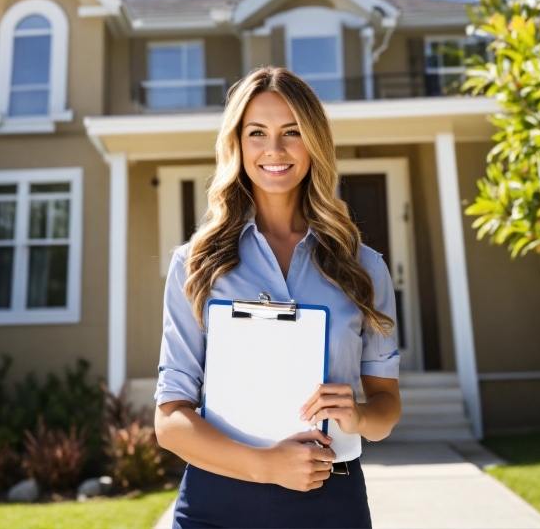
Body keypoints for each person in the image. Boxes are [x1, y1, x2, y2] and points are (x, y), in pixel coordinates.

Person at [155, 67, 401, 529]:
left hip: (332, 500)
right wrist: (266, 466)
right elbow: (170, 421)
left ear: (314, 143)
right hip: (216, 506)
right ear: (238, 144)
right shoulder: (196, 263)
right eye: (257, 133)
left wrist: (358, 416)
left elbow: (386, 407)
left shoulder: (364, 267)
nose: (275, 149)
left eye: (292, 132)